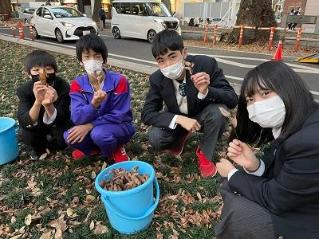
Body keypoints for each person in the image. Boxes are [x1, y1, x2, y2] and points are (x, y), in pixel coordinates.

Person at [215, 61, 319, 239]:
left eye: (265, 93)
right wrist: (255, 165)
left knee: (239, 209)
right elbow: (286, 171)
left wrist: (232, 173)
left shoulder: (309, 140)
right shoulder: (298, 120)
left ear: (289, 88)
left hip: (308, 218)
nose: (258, 105)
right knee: (235, 185)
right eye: (250, 100)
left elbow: (277, 199)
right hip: (299, 198)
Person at [141, 29, 238, 178]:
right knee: (155, 138)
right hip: (179, 119)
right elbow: (147, 114)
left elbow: (232, 99)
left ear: (184, 53)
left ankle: (205, 153)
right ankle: (181, 137)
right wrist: (178, 119)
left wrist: (207, 91)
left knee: (219, 112)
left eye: (172, 57)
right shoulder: (157, 79)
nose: (168, 64)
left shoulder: (205, 65)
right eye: (161, 60)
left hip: (203, 116)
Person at [64, 34, 135, 162]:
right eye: (87, 57)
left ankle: (115, 149)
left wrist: (91, 125)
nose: (92, 61)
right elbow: (77, 117)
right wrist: (93, 105)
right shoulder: (77, 84)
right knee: (68, 136)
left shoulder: (119, 81)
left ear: (104, 59)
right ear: (80, 61)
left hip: (119, 126)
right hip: (94, 128)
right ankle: (93, 149)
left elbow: (119, 115)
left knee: (100, 134)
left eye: (97, 56)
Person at [17, 50, 71, 160]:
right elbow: (24, 120)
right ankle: (39, 146)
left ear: (55, 71)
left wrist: (49, 105)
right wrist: (38, 101)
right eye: (36, 70)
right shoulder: (24, 90)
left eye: (48, 69)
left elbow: (63, 117)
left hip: (56, 125)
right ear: (29, 74)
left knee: (66, 137)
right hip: (37, 128)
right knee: (26, 136)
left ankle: (51, 144)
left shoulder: (63, 86)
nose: (43, 74)